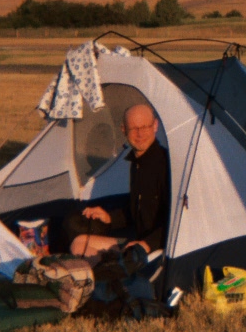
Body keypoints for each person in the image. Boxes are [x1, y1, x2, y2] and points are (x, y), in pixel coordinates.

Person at [66, 103, 170, 260]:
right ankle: (107, 277)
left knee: (84, 250)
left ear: (155, 126)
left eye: (145, 127)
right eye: (134, 129)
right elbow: (138, 210)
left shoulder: (165, 165)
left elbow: (175, 220)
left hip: (157, 247)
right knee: (79, 242)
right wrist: (109, 217)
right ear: (124, 130)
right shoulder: (137, 163)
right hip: (137, 239)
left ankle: (111, 276)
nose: (140, 134)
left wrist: (146, 244)